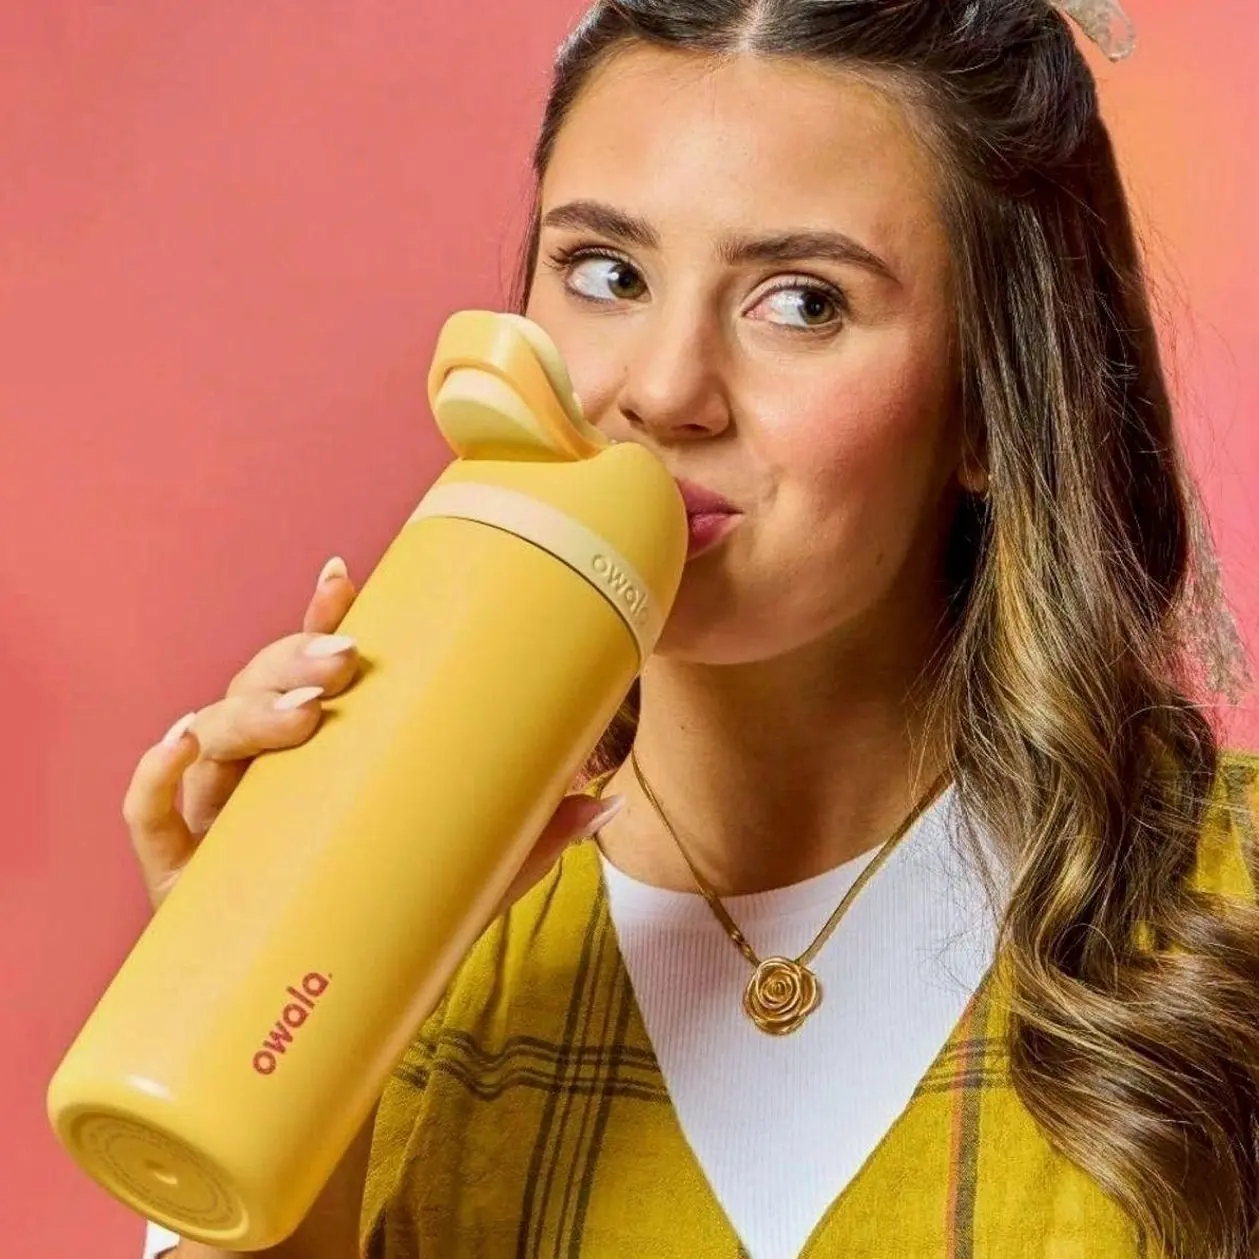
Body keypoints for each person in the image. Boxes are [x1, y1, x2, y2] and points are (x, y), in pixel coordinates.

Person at [130, 2, 1259, 1257]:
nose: (662, 391)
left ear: (993, 400)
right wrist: (272, 1029)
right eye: (606, 274)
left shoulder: (1228, 914)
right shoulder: (375, 945)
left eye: (802, 302)